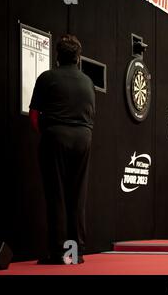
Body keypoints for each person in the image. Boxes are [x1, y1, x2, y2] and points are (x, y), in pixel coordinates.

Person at [29, 34, 96, 264]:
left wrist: (49, 134)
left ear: (57, 56)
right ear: (78, 58)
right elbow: (91, 115)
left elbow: (34, 115)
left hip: (56, 136)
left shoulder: (47, 78)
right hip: (83, 138)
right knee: (77, 195)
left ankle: (58, 253)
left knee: (56, 193)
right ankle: (76, 254)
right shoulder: (87, 82)